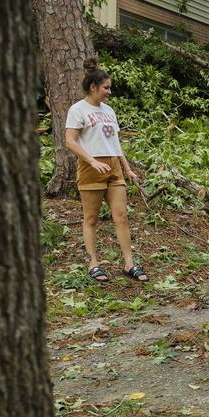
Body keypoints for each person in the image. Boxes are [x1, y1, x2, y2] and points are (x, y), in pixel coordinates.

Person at [65, 58, 148, 283]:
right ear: (93, 87)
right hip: (91, 167)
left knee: (121, 217)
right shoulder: (78, 109)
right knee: (91, 218)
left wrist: (127, 169)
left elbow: (115, 143)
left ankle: (129, 263)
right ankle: (93, 264)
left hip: (113, 167)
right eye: (106, 88)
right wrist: (92, 162)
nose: (109, 92)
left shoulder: (109, 111)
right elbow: (70, 141)